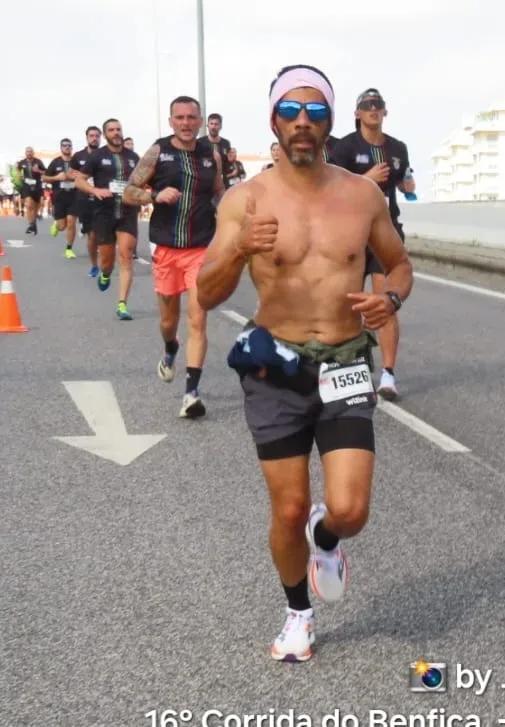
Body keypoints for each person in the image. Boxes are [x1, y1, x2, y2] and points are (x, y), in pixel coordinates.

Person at [197, 64, 413, 663]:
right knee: (287, 508)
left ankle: (327, 536)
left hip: (344, 360)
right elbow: (207, 293)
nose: (302, 122)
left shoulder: (362, 195)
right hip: (278, 367)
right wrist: (240, 249)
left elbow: (399, 264)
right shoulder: (246, 200)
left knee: (351, 511)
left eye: (315, 112)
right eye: (290, 111)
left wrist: (390, 299)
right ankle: (298, 613)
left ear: (329, 123)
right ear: (274, 120)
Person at [122, 95, 224, 418]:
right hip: (166, 248)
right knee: (169, 322)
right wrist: (154, 195)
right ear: (171, 122)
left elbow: (219, 193)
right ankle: (170, 348)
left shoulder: (211, 155)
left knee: (198, 319)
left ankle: (191, 393)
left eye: (192, 117)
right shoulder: (158, 151)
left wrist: (233, 219)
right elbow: (128, 191)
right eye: (180, 117)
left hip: (201, 248)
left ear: (200, 121)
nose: (186, 123)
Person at [330, 87, 415, 400]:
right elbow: (332, 190)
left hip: (385, 231)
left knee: (384, 300)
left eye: (378, 104)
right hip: (350, 232)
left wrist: (407, 185)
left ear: (385, 111)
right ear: (357, 113)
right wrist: (366, 178)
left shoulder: (398, 148)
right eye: (367, 105)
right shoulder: (344, 147)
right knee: (348, 301)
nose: (373, 109)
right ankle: (350, 361)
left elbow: (405, 182)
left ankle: (388, 374)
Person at [74, 119, 141, 319]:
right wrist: (95, 190)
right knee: (107, 262)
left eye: (118, 129)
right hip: (104, 213)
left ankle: (122, 304)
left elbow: (143, 180)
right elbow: (79, 180)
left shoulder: (133, 157)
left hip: (128, 213)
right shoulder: (97, 156)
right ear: (105, 135)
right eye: (111, 130)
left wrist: (142, 192)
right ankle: (105, 274)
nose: (116, 133)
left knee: (126, 256)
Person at [71, 126, 102, 277]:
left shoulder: (105, 154)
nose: (94, 138)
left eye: (97, 136)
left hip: (103, 198)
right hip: (85, 199)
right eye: (91, 136)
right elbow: (70, 173)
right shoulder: (78, 156)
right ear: (87, 138)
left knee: (107, 234)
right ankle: (95, 265)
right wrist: (76, 175)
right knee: (93, 235)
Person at [42, 138, 79, 259]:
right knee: (62, 226)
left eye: (69, 145)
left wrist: (77, 177)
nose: (67, 147)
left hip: (74, 196)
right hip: (59, 197)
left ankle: (69, 249)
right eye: (64, 145)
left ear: (71, 147)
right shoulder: (55, 162)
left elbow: (85, 175)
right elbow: (44, 178)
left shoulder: (76, 162)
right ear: (61, 148)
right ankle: (56, 224)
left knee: (71, 221)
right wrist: (57, 178)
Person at [15, 147, 46, 235]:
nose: (29, 153)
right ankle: (31, 224)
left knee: (35, 206)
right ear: (25, 153)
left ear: (33, 153)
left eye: (30, 152)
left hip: (37, 186)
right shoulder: (22, 162)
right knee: (28, 205)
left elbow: (45, 172)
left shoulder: (38, 162)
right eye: (27, 152)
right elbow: (18, 168)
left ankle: (33, 224)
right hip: (27, 186)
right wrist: (19, 174)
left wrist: (38, 170)